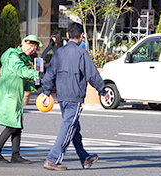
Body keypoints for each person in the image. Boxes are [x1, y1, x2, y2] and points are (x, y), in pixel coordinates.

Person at [41, 22, 109, 171]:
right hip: (75, 96)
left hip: (63, 96)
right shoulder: (81, 53)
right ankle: (52, 159)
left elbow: (50, 74)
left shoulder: (59, 52)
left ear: (67, 35)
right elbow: (92, 75)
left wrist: (46, 93)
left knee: (73, 127)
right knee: (68, 126)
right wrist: (103, 91)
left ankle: (85, 158)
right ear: (82, 36)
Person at [0, 35, 43, 164]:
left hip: (15, 96)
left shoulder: (23, 58)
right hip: (8, 96)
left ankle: (15, 155)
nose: (32, 49)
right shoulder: (13, 55)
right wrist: (36, 74)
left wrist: (35, 85)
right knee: (12, 126)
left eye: (34, 48)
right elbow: (20, 70)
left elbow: (22, 79)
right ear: (23, 43)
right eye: (30, 46)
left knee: (17, 126)